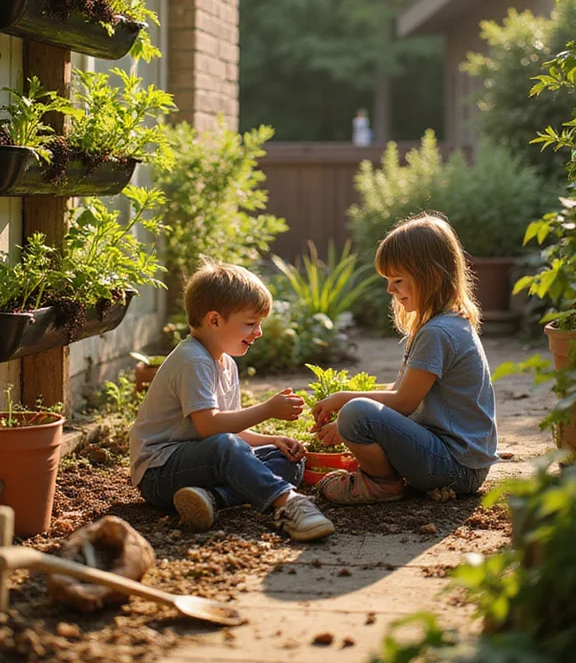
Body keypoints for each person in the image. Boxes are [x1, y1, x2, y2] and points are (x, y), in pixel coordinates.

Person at [130, 261, 335, 541]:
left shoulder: (226, 363)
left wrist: (270, 440)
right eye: (251, 324)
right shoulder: (193, 360)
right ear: (214, 321)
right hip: (160, 473)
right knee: (226, 447)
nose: (258, 332)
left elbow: (231, 430)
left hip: (202, 463)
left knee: (288, 460)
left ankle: (212, 499)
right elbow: (209, 427)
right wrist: (268, 410)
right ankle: (289, 504)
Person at [312, 213, 498, 505]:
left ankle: (381, 484)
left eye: (397, 280)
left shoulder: (438, 332)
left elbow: (403, 402)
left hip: (455, 469)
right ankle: (381, 474)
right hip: (460, 464)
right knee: (357, 414)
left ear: (432, 276)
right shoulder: (445, 324)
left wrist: (344, 399)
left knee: (356, 411)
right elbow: (402, 390)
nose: (389, 290)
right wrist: (350, 425)